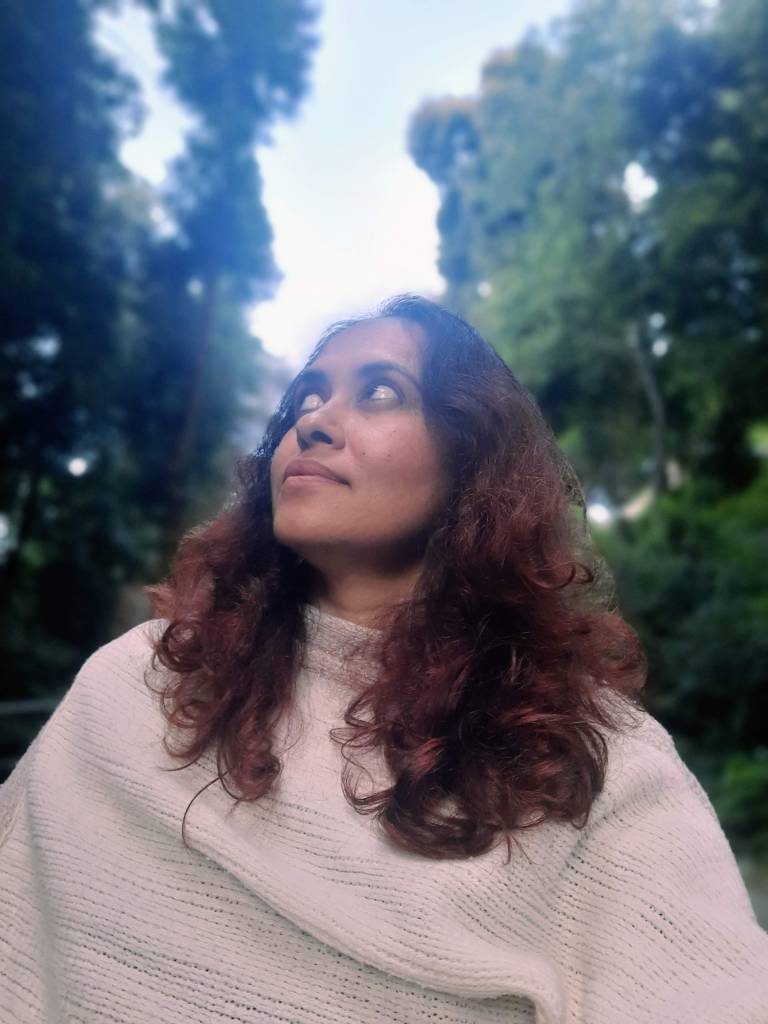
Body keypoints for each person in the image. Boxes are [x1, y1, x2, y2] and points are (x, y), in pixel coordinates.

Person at [1, 294, 766, 1023]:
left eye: (379, 393)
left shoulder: (587, 755)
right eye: (305, 399)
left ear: (470, 461)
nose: (314, 422)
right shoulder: (145, 680)